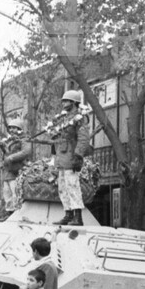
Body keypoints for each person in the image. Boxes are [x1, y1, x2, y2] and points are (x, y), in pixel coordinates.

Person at [49, 89, 91, 226]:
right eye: (63, 101)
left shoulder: (80, 117)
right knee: (62, 187)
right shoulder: (62, 119)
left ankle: (78, 217)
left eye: (67, 101)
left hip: (71, 157)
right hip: (61, 157)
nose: (64, 103)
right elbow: (57, 138)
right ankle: (68, 214)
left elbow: (83, 138)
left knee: (72, 186)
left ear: (74, 102)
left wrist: (78, 155)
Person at [0, 118, 31, 213]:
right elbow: (7, 154)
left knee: (16, 193)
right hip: (8, 170)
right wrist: (4, 149)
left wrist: (11, 158)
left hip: (17, 170)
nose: (11, 130)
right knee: (7, 193)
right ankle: (9, 213)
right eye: (10, 128)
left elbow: (26, 152)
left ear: (20, 128)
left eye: (14, 128)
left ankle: (17, 214)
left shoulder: (24, 139)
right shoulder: (10, 140)